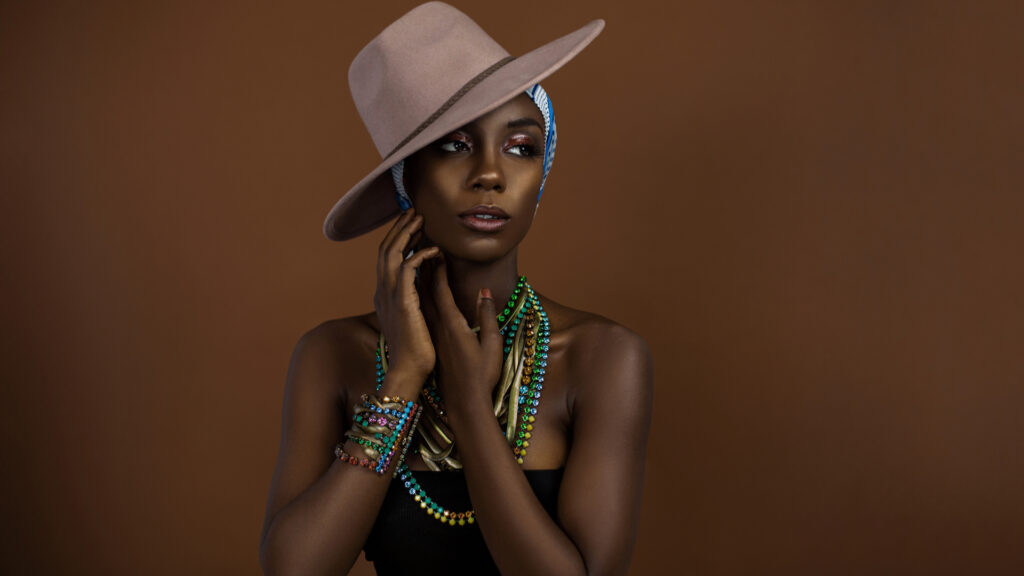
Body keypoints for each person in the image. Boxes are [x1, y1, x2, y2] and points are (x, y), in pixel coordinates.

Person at [258, 3, 653, 575]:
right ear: (406, 179)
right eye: (455, 145)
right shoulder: (333, 356)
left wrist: (470, 407)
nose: (491, 174)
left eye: (521, 148)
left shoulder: (603, 357)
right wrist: (403, 379)